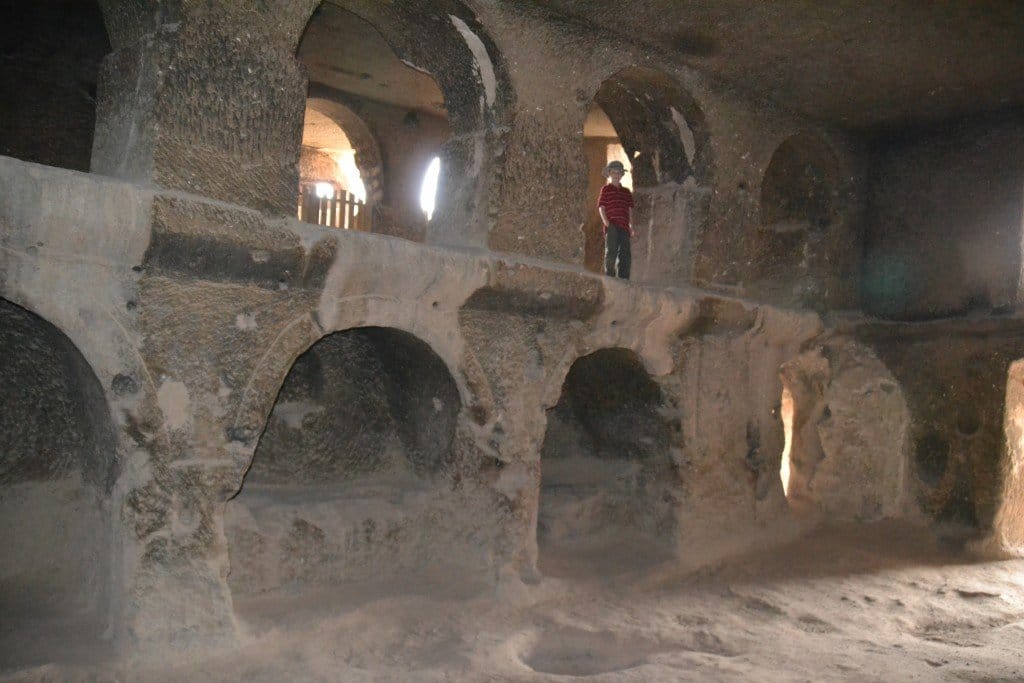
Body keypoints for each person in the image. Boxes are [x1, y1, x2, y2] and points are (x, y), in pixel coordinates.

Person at [598, 160, 634, 280]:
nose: (616, 175)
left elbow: (629, 210)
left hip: (624, 226)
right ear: (609, 174)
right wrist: (607, 223)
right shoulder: (606, 189)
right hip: (612, 224)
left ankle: (624, 278)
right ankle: (610, 276)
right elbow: (601, 208)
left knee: (625, 253)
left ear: (622, 175)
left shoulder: (626, 192)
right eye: (613, 172)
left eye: (619, 172)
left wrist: (631, 225)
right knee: (611, 251)